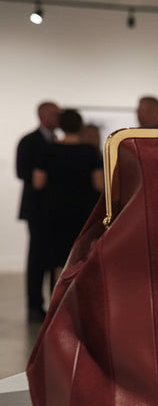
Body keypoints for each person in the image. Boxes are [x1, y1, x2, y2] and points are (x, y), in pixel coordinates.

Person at [33, 109, 104, 277]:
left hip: (55, 210)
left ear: (61, 125)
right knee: (81, 255)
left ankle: (59, 298)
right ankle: (78, 298)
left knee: (58, 258)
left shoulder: (49, 150)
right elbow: (99, 184)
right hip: (83, 211)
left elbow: (38, 183)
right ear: (80, 126)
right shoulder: (90, 151)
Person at [16, 101, 61, 322]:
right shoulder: (29, 141)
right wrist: (38, 177)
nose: (58, 117)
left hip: (56, 210)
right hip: (37, 210)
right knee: (37, 260)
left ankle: (54, 303)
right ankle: (34, 306)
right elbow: (21, 171)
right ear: (42, 116)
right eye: (54, 114)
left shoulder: (58, 142)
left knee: (56, 258)